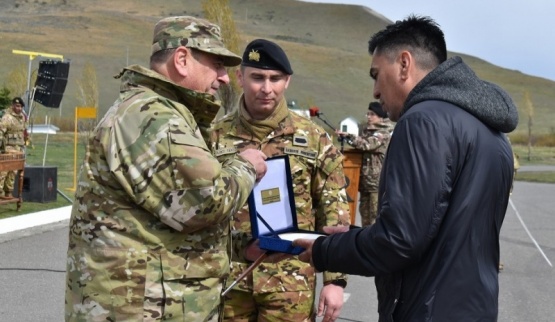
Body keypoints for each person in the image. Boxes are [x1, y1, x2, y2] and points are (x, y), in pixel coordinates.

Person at [294, 15, 518, 321]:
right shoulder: (492, 131)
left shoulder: (422, 121)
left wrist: (324, 250)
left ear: (404, 64)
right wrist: (353, 237)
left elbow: (399, 242)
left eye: (376, 74)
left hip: (427, 309)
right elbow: (442, 234)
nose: (374, 90)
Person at [64, 16, 268, 322]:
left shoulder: (162, 112)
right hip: (139, 308)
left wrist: (240, 247)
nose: (224, 78)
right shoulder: (153, 116)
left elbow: (163, 221)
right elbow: (205, 203)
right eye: (216, 64)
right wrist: (247, 166)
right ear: (182, 59)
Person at [210, 39, 350, 322]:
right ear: (240, 77)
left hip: (292, 281)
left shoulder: (314, 139)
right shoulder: (214, 136)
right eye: (257, 77)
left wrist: (335, 280)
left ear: (287, 81)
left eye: (275, 79)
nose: (266, 88)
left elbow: (334, 209)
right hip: (233, 277)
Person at [336, 101, 393, 226]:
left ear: (380, 116)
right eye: (368, 114)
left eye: (372, 114)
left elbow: (367, 145)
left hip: (376, 182)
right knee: (364, 214)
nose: (368, 117)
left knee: (374, 216)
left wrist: (349, 137)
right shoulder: (368, 131)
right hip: (366, 181)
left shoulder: (383, 133)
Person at [0, 97, 28, 199]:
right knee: (3, 171)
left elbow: (23, 132)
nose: (19, 108)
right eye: (17, 106)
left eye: (20, 106)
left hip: (18, 150)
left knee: (13, 172)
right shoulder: (7, 117)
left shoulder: (22, 118)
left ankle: (8, 191)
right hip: (8, 149)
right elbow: (1, 132)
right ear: (12, 106)